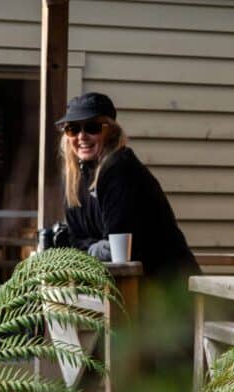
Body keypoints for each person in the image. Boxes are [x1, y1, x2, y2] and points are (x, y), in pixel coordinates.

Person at [57, 92, 200, 284]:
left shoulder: (120, 169)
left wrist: (88, 249)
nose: (82, 136)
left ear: (111, 131)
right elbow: (74, 241)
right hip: (123, 289)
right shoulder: (73, 179)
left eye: (92, 127)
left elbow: (118, 249)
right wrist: (92, 247)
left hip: (167, 292)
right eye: (73, 129)